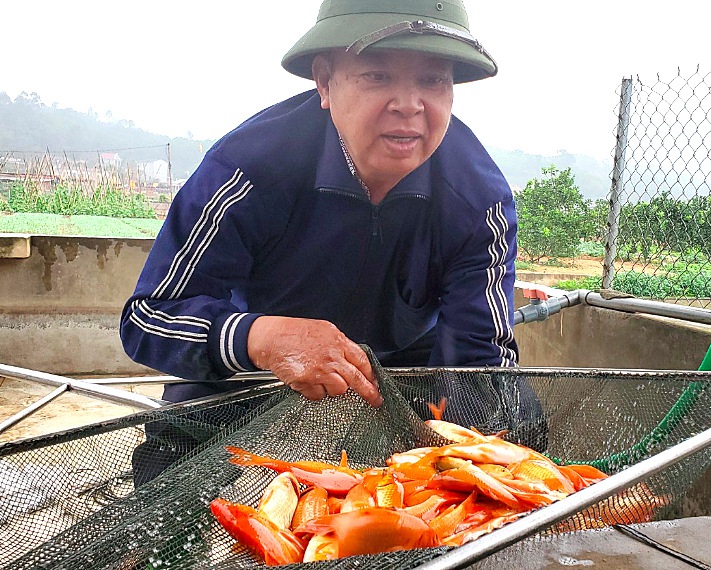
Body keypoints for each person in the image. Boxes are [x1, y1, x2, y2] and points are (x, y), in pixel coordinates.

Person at [120, 0, 524, 459]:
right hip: (263, 363)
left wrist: (459, 461)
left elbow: (476, 358)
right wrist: (267, 339)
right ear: (324, 81)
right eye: (377, 75)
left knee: (514, 420)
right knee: (172, 451)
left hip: (407, 366)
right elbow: (147, 319)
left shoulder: (479, 197)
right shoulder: (249, 169)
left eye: (432, 80)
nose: (410, 105)